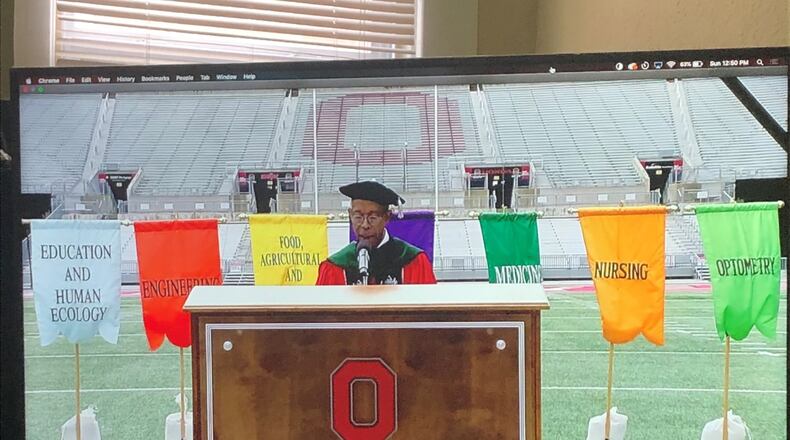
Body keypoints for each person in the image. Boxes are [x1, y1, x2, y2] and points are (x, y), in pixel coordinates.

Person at [316, 181, 436, 285]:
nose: (365, 225)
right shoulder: (335, 266)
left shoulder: (412, 260)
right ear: (350, 215)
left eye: (372, 217)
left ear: (387, 217)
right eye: (358, 217)